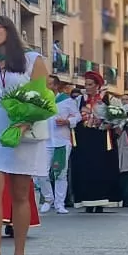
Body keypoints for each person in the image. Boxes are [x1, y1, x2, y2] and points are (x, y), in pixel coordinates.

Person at [0, 15, 49, 255]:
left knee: (20, 193)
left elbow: (42, 96)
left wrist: (25, 123)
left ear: (9, 30)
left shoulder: (32, 60)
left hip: (23, 129)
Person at [68, 71, 122, 212]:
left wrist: (111, 124)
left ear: (98, 85)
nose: (87, 87)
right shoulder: (79, 100)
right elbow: (73, 116)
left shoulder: (109, 99)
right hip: (84, 140)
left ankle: (101, 202)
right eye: (85, 84)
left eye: (90, 84)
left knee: (103, 169)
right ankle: (86, 201)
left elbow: (120, 118)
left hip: (102, 140)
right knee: (85, 169)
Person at [45, 76, 76, 213]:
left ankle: (60, 203)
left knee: (60, 173)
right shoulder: (40, 100)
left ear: (56, 86)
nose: (47, 87)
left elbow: (77, 116)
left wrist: (67, 121)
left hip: (61, 141)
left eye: (50, 84)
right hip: (44, 141)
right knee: (41, 173)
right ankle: (48, 199)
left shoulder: (67, 101)